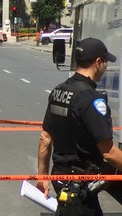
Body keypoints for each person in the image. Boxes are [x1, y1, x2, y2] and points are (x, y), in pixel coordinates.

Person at [36, 37, 122, 216]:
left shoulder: (59, 91)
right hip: (80, 182)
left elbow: (45, 137)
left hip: (60, 177)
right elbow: (109, 152)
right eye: (105, 62)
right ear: (98, 62)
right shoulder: (91, 99)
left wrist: (43, 176)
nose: (106, 67)